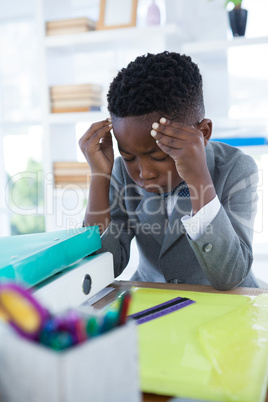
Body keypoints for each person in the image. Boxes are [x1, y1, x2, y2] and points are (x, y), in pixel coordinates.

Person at [79, 51, 259, 290]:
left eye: (159, 155)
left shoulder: (237, 168)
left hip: (226, 303)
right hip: (154, 298)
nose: (144, 173)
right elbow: (102, 269)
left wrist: (197, 179)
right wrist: (100, 177)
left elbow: (230, 275)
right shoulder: (121, 173)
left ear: (203, 133)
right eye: (129, 156)